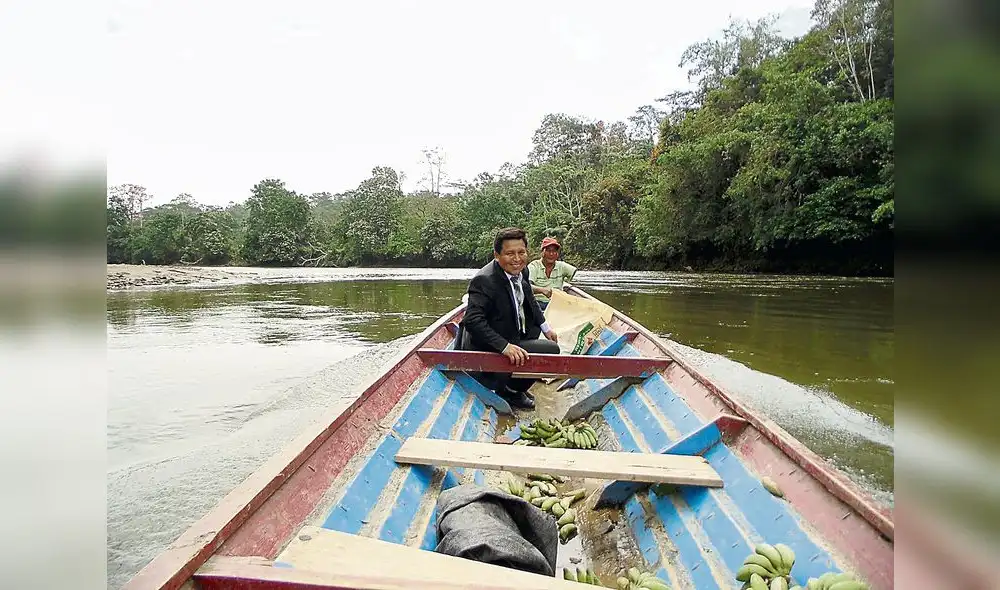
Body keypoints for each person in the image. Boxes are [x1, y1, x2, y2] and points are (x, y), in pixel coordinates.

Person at [458, 227, 560, 409]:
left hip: (507, 331)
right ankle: (510, 390)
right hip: (484, 345)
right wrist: (504, 347)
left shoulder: (522, 271)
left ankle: (515, 381)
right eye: (510, 253)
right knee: (550, 351)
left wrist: (546, 327)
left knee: (536, 330)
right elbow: (472, 321)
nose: (517, 259)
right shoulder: (484, 280)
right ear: (497, 255)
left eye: (521, 252)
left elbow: (529, 297)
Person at [527, 237, 577, 311]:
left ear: (557, 254)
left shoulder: (561, 266)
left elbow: (575, 272)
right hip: (538, 303)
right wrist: (542, 290)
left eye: (554, 251)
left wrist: (566, 283)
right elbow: (526, 286)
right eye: (548, 251)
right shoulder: (534, 266)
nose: (551, 254)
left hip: (556, 303)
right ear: (542, 252)